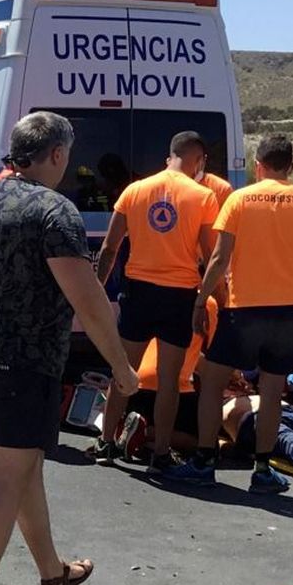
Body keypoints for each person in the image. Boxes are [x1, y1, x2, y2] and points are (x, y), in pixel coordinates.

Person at [0, 112, 138, 585]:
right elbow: (88, 298)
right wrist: (120, 366)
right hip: (25, 365)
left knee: (24, 471)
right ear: (54, 155)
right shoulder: (55, 212)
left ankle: (53, 575)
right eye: (66, 156)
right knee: (6, 482)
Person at [166, 135, 293, 493]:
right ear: (290, 167)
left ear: (258, 165)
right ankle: (263, 471)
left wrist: (201, 299)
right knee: (271, 391)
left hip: (243, 310)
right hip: (287, 313)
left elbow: (219, 259)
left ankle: (204, 462)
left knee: (213, 384)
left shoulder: (239, 198)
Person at [90, 131, 220, 474]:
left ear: (170, 155)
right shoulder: (204, 196)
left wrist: (95, 293)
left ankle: (106, 442)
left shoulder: (135, 190)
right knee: (169, 380)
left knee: (123, 370)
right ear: (199, 161)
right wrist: (208, 300)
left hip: (138, 293)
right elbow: (211, 256)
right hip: (178, 296)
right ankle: (160, 453)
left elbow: (109, 249)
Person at [117, 297, 219, 461]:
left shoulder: (155, 294)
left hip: (135, 383)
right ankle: (146, 434)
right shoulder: (207, 304)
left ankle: (128, 429)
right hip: (172, 388)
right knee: (208, 443)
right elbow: (213, 358)